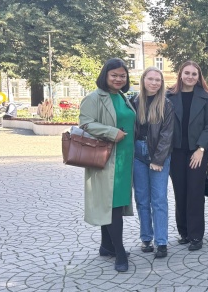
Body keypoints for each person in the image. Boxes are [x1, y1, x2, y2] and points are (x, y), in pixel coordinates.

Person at [79, 58, 135, 272]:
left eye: (122, 76)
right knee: (112, 205)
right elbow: (85, 123)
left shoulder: (122, 97)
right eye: (114, 75)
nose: (119, 79)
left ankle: (107, 246)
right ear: (105, 75)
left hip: (124, 159)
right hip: (107, 159)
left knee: (113, 204)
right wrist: (112, 132)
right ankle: (119, 252)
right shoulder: (94, 97)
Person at [167, 61, 208, 251]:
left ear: (198, 77)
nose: (190, 76)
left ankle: (196, 235)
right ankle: (184, 232)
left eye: (194, 74)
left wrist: (201, 149)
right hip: (176, 151)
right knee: (180, 192)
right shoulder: (169, 96)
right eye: (187, 73)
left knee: (195, 193)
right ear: (180, 74)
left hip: (197, 151)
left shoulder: (206, 97)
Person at [131, 67, 174, 258]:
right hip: (137, 154)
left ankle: (161, 241)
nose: (154, 83)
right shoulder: (134, 101)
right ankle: (146, 238)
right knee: (142, 199)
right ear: (143, 80)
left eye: (158, 80)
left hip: (158, 154)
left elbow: (167, 134)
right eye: (151, 79)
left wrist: (158, 159)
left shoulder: (166, 104)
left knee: (159, 199)